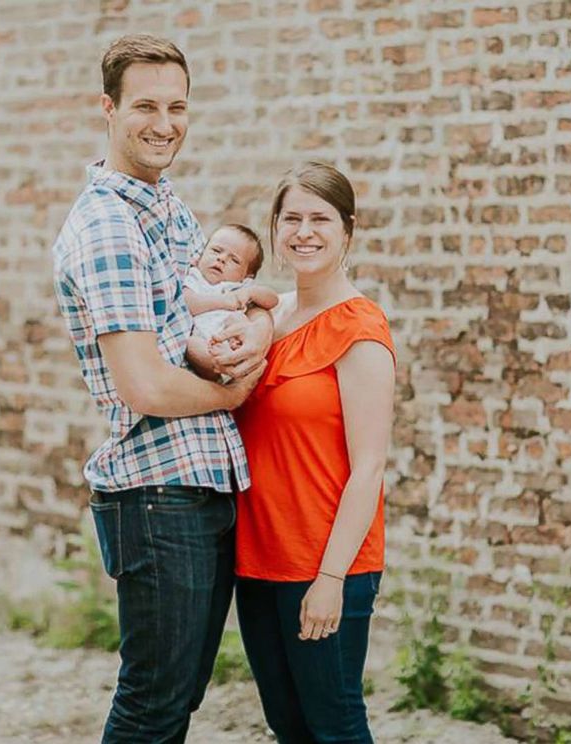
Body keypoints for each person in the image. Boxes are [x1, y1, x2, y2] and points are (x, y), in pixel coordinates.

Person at [51, 34, 273, 742]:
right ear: (108, 109)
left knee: (176, 701)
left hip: (196, 485)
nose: (165, 122)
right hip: (156, 494)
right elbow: (144, 384)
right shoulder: (110, 225)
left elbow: (203, 311)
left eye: (178, 106)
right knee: (152, 703)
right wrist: (232, 396)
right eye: (146, 105)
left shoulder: (164, 207)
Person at [228, 162, 397, 743]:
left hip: (326, 565)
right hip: (256, 562)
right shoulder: (266, 322)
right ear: (274, 229)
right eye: (291, 218)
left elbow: (369, 467)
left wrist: (329, 579)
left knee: (336, 727)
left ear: (347, 230)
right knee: (288, 727)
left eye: (320, 218)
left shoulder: (360, 329)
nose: (304, 231)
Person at [183, 224, 279, 380]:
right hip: (203, 341)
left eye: (234, 260)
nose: (221, 259)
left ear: (247, 276)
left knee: (238, 320)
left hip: (232, 339)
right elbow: (188, 303)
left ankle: (233, 354)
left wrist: (250, 292)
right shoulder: (196, 278)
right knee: (190, 343)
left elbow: (273, 300)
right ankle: (221, 362)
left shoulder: (240, 286)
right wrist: (225, 301)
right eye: (216, 251)